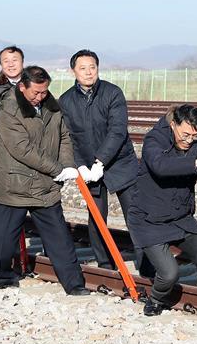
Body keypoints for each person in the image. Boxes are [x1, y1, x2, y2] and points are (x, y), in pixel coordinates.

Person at [128, 104, 197, 327]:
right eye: (185, 134)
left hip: (180, 215)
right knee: (169, 274)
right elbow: (161, 166)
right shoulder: (155, 139)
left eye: (194, 136)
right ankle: (156, 299)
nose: (189, 140)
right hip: (149, 218)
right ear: (173, 125)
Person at [0, 66, 90, 296]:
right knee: (2, 240)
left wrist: (68, 164)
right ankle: (3, 277)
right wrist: (57, 169)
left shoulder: (51, 105)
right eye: (36, 93)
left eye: (44, 92)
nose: (41, 96)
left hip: (45, 186)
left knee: (59, 238)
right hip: (15, 186)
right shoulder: (9, 111)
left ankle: (73, 284)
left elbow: (63, 136)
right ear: (22, 87)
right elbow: (22, 149)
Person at [59, 49, 139, 271]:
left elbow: (117, 130)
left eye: (92, 67)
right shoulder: (65, 100)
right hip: (87, 166)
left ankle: (148, 263)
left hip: (120, 163)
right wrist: (80, 165)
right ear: (73, 71)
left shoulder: (112, 93)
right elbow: (67, 137)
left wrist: (100, 161)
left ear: (98, 68)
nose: (88, 72)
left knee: (135, 214)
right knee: (96, 216)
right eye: (82, 68)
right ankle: (105, 264)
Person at [0, 45, 24, 124]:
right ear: (1, 64)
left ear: (22, 62)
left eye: (14, 60)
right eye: (6, 61)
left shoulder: (34, 83)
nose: (11, 64)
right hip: (7, 131)